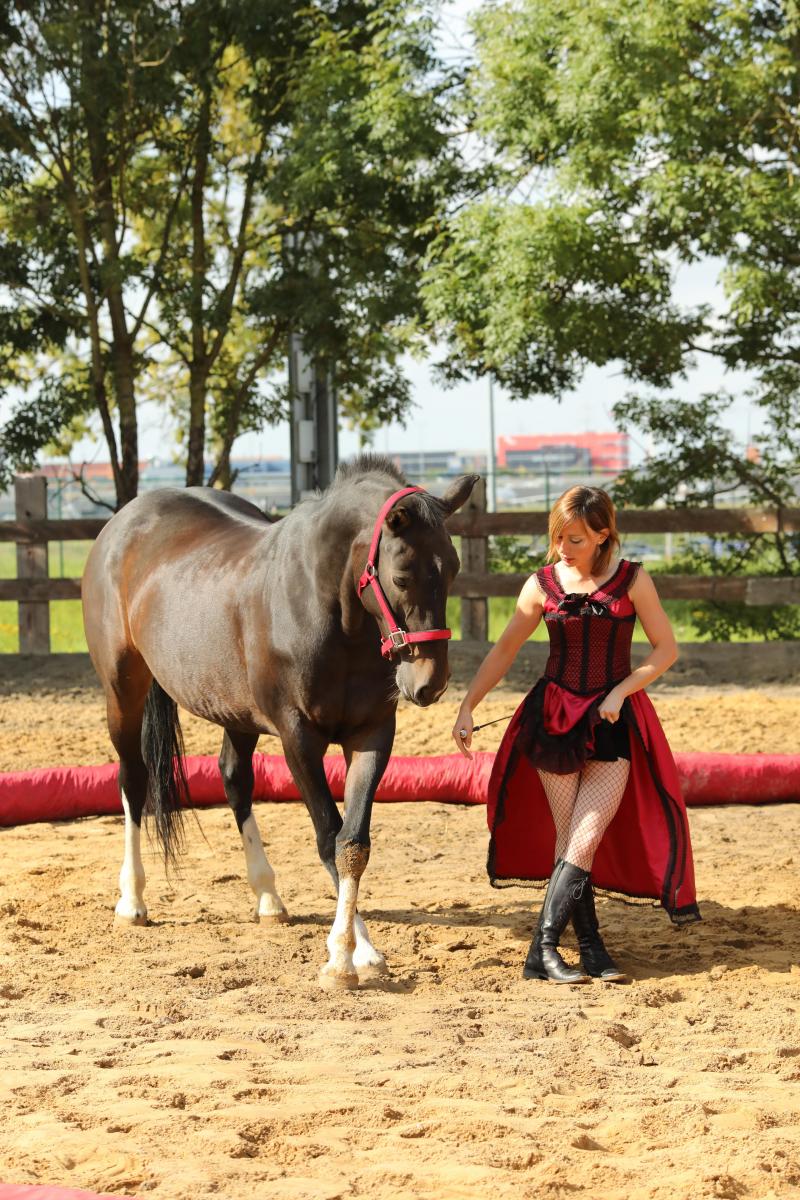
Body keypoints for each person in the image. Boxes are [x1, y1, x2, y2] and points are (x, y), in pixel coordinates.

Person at [452, 485, 699, 984]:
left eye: (576, 538)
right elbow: (503, 652)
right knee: (569, 841)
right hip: (553, 721)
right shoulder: (541, 584)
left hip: (610, 724)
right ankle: (590, 947)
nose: (564, 547)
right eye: (559, 537)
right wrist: (467, 704)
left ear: (604, 534)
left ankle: (539, 952)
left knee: (583, 840)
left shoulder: (632, 580)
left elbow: (665, 650)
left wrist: (621, 692)